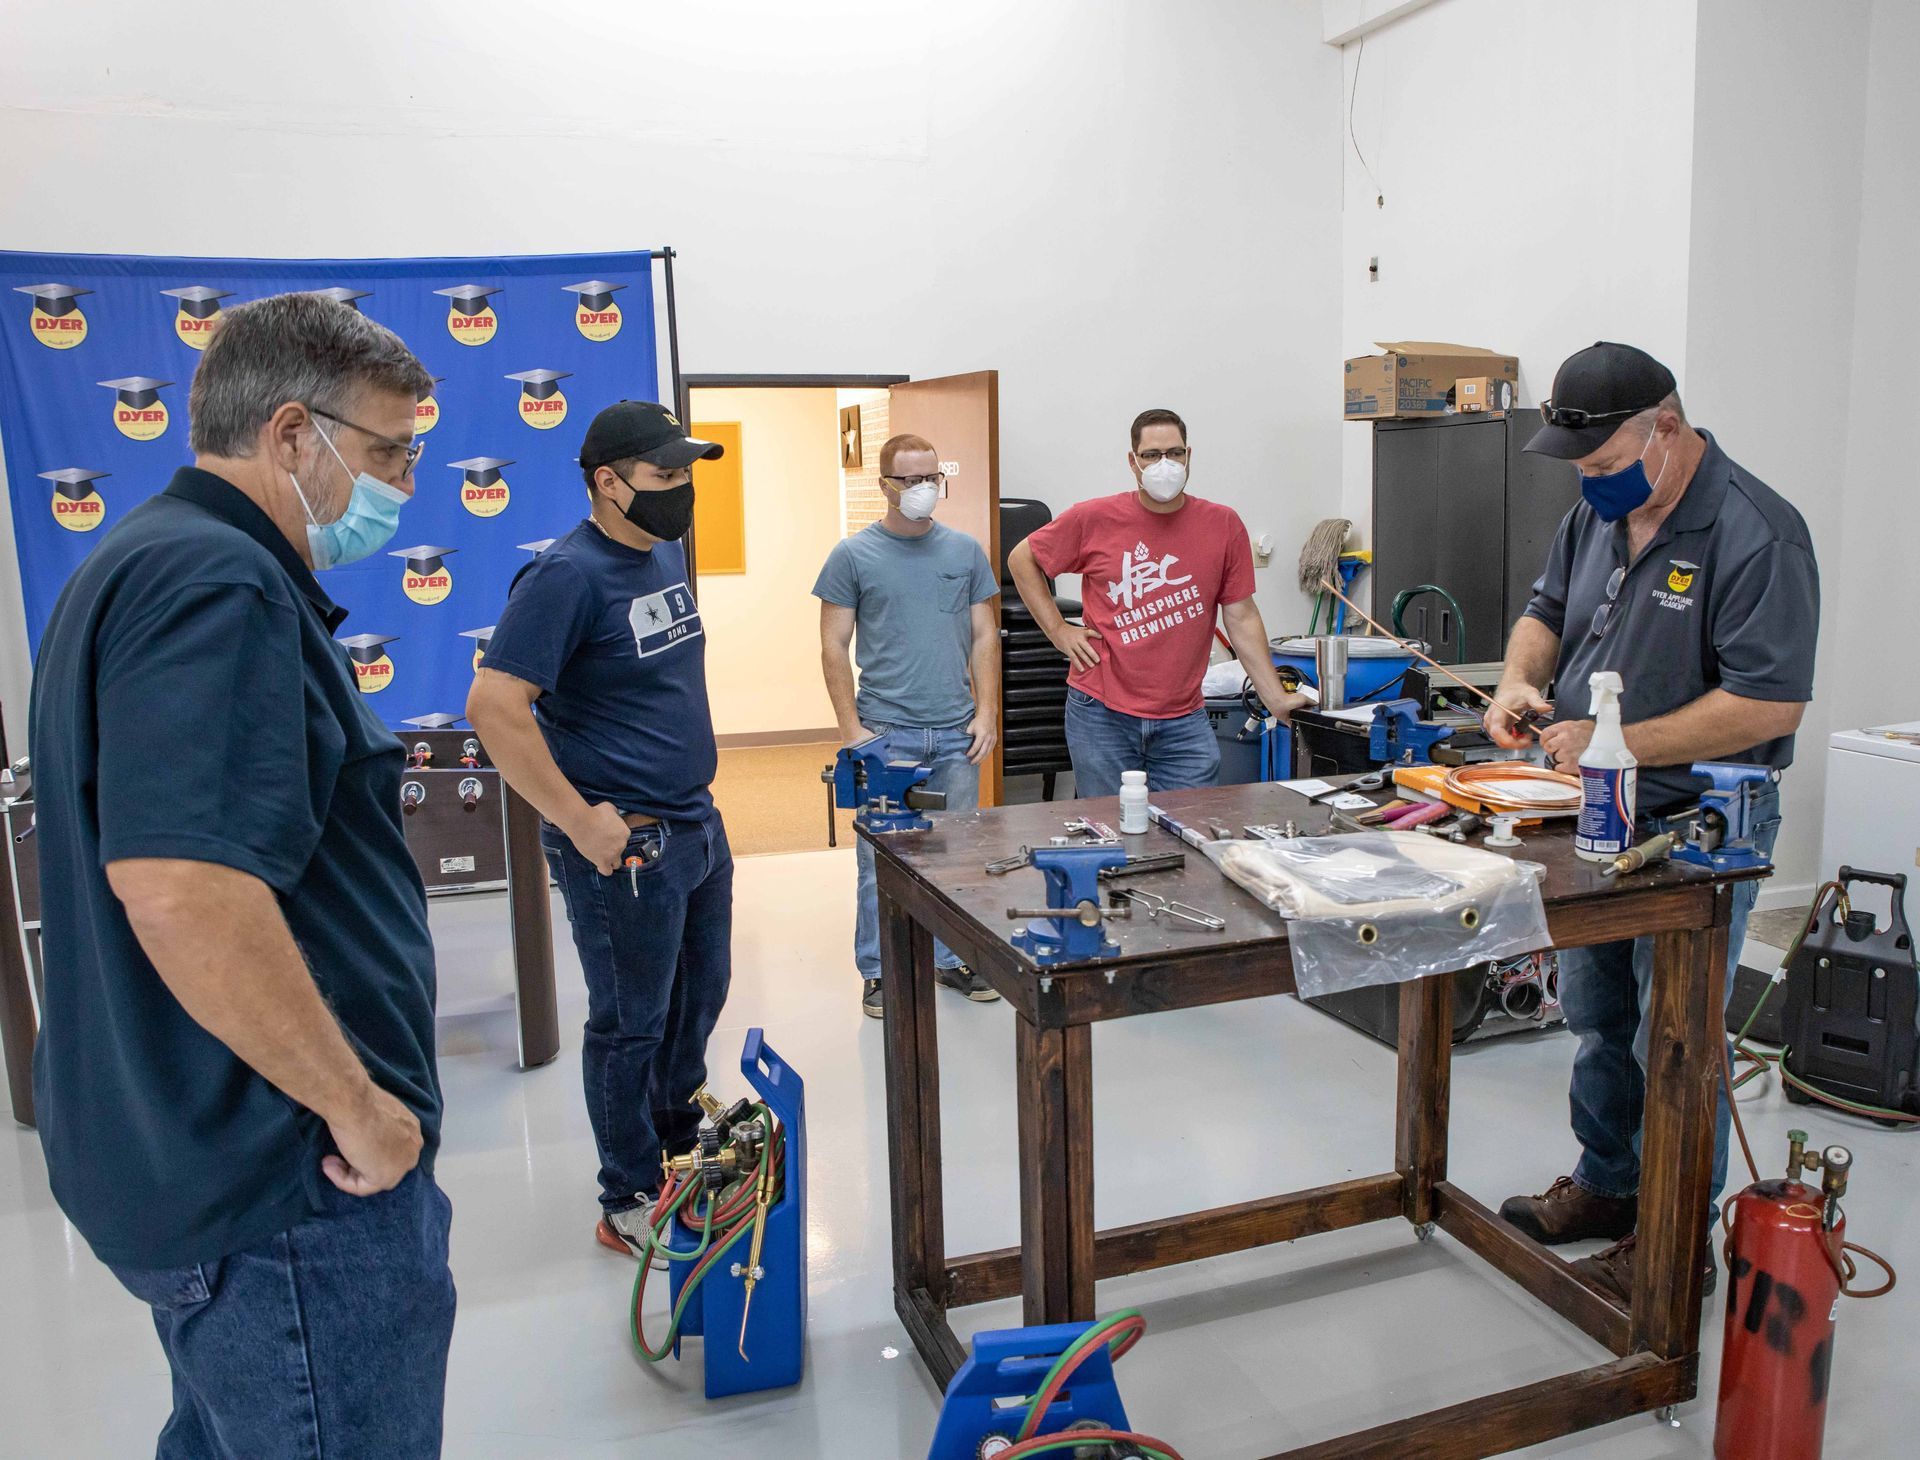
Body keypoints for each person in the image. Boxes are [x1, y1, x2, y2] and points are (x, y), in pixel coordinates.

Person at [29, 292, 454, 1457]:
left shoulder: (142, 558)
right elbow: (181, 887)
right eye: (386, 451)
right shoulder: (218, 584)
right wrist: (359, 1109)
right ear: (289, 434)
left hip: (197, 1159)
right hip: (288, 1185)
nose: (405, 485)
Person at [1486, 341, 1817, 1304]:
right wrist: (1520, 678)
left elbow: (1769, 704)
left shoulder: (1759, 534)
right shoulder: (1603, 512)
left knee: (1671, 1040)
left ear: (1664, 431)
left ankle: (1675, 1237)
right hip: (1600, 811)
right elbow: (1547, 611)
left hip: (1702, 826)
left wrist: (1618, 739)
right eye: (1582, 473)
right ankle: (1606, 1186)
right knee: (1597, 1020)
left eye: (1602, 466)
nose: (1591, 486)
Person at [467, 399, 732, 1261]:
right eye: (664, 476)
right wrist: (580, 822)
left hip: (695, 823)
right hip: (628, 848)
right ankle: (626, 1194)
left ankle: (677, 1149)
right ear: (607, 483)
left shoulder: (661, 554)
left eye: (685, 473)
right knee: (628, 1024)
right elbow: (496, 708)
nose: (681, 489)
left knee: (699, 1000)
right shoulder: (564, 578)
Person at [1006, 408, 1307, 797]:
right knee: (1109, 832)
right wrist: (1059, 631)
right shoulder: (1094, 517)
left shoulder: (1223, 524)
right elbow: (1022, 558)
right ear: (1133, 462)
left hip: (1184, 717)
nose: (1165, 464)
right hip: (1101, 712)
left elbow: (1241, 615)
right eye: (1151, 455)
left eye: (1174, 453)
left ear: (1189, 457)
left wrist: (1275, 698)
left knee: (1187, 831)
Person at [814, 432, 1002, 1019]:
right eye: (911, 480)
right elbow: (832, 646)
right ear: (885, 485)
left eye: (932, 479)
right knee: (881, 861)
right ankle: (878, 970)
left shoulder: (965, 552)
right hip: (885, 733)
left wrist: (987, 711)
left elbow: (983, 636)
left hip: (954, 731)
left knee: (954, 855)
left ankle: (951, 958)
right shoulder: (853, 556)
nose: (924, 490)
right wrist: (851, 730)